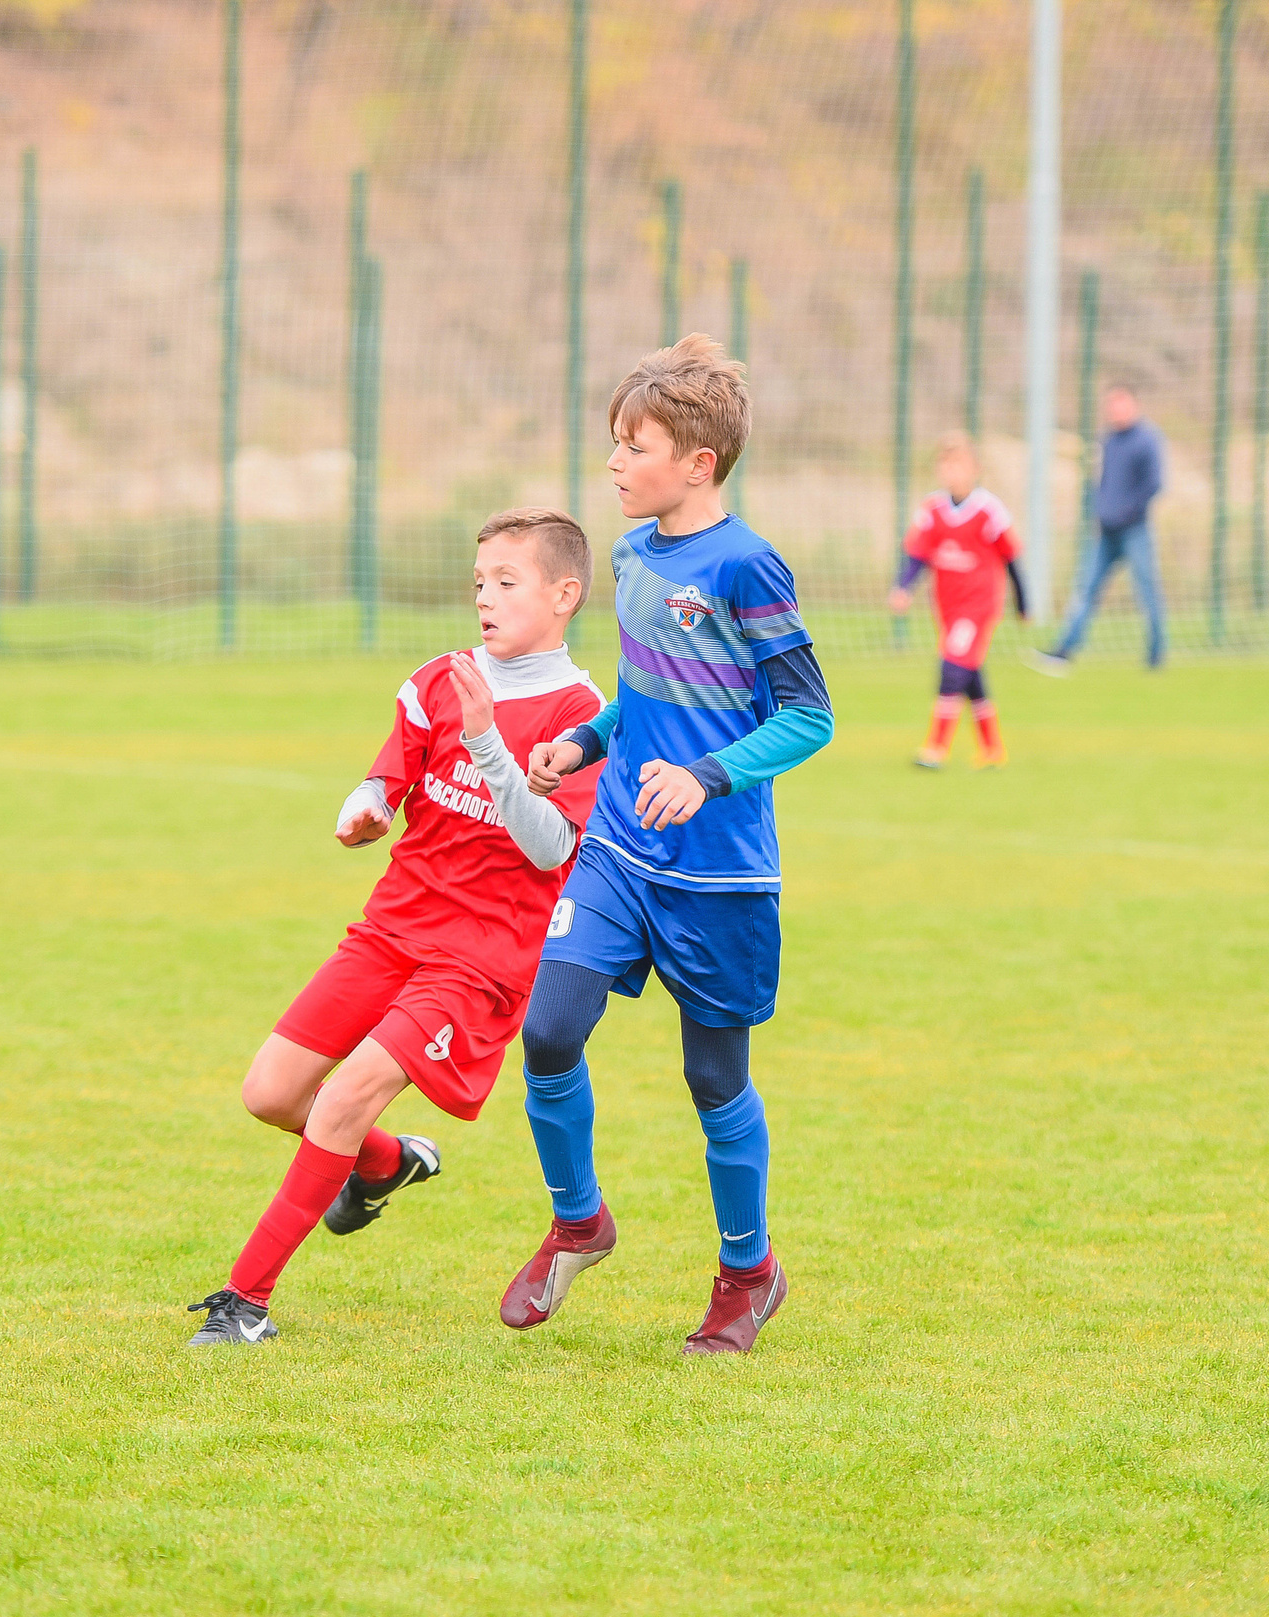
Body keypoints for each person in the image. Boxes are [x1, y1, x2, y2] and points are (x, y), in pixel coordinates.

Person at [186, 509, 608, 1345]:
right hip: (392, 930)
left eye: (507, 582)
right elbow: (388, 778)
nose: (485, 596)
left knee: (341, 1098)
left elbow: (551, 844)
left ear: (566, 594)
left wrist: (491, 744)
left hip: (480, 960)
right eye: (479, 580)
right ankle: (385, 1163)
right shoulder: (438, 679)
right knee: (270, 1093)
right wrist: (367, 807)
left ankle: (245, 1304)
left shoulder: (582, 710)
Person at [511, 334, 834, 1356]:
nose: (613, 463)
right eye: (613, 442)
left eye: (633, 444)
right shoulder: (631, 552)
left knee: (713, 1081)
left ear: (697, 462)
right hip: (617, 846)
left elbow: (808, 716)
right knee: (549, 1028)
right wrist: (585, 739)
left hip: (720, 869)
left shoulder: (748, 564)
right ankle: (579, 1220)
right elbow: (647, 688)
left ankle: (748, 1273)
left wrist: (706, 774)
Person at [889, 430, 1027, 769]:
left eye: (960, 465)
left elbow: (1012, 560)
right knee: (970, 674)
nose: (953, 472)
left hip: (979, 606)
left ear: (975, 468)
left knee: (952, 668)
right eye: (947, 465)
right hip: (947, 607)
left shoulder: (989, 510)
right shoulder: (933, 510)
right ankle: (992, 748)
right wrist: (903, 587)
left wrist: (1023, 603)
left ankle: (936, 747)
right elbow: (918, 556)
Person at [1032, 382, 1166, 673]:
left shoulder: (1147, 440)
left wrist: (1128, 511)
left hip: (1135, 530)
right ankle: (1064, 650)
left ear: (1133, 405)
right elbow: (1103, 482)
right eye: (1111, 405)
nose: (1115, 410)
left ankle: (1157, 655)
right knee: (1086, 589)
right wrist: (1101, 511)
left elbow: (1154, 484)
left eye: (1121, 403)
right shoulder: (1108, 440)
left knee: (1147, 590)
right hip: (1106, 532)